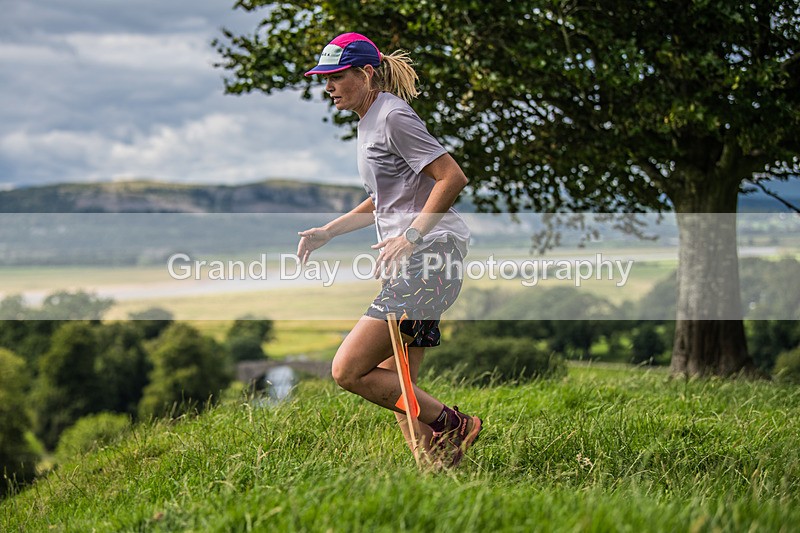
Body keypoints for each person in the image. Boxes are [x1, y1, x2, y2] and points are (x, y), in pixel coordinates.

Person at [297, 33, 482, 467]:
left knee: (348, 370)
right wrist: (330, 231)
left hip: (429, 257)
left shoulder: (393, 117)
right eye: (324, 78)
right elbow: (386, 200)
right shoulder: (369, 121)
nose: (328, 87)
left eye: (336, 77)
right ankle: (436, 469)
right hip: (414, 261)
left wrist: (411, 237)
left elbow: (451, 177)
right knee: (403, 384)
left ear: (365, 73)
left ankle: (456, 424)